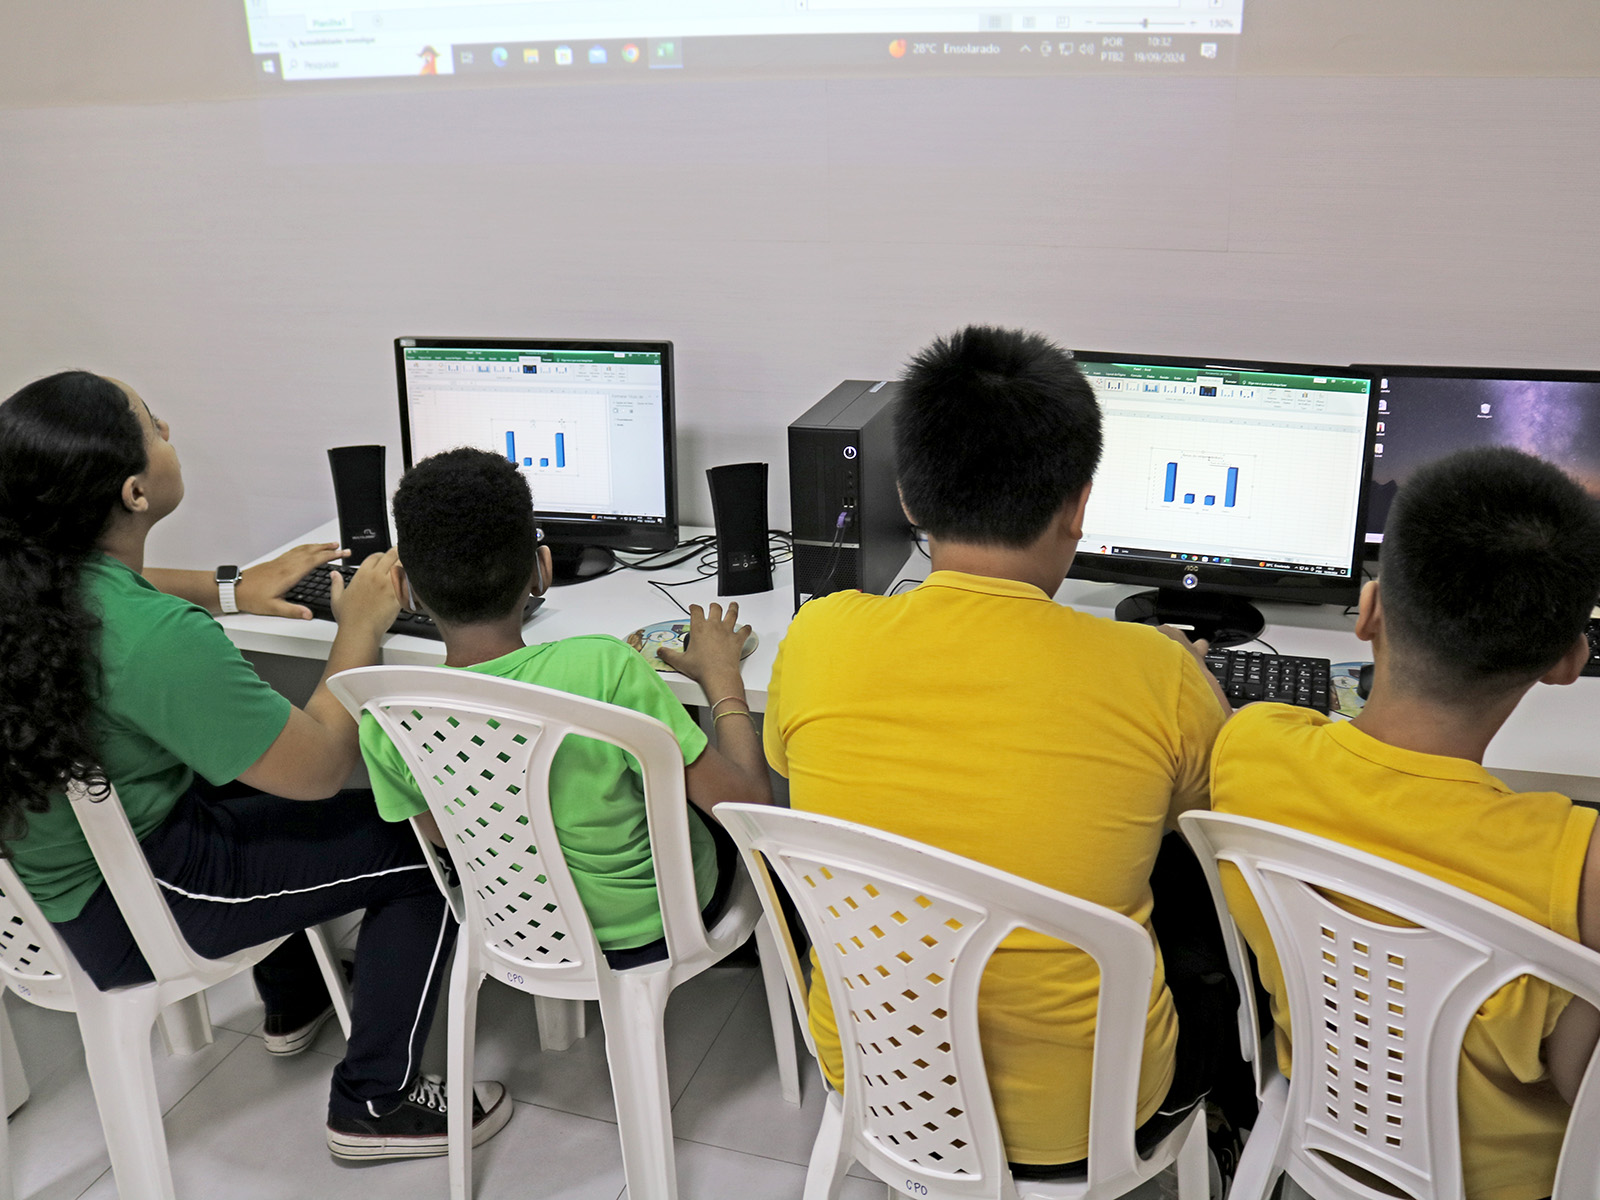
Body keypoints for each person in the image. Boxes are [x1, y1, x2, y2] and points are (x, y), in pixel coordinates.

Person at [0, 370, 511, 1162]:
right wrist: (360, 625)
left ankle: (295, 999)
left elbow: (125, 587)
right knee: (426, 848)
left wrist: (231, 589)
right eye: (154, 424)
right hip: (140, 904)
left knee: (242, 773)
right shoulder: (154, 638)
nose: (170, 429)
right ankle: (376, 1101)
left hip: (54, 895)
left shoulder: (29, 577)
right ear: (135, 492)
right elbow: (319, 767)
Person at [762, 325, 1238, 1172]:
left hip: (872, 1078)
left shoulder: (819, 634)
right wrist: (1188, 678)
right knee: (1191, 901)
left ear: (909, 498)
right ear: (1079, 505)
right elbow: (1218, 824)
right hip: (1088, 1117)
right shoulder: (1155, 673)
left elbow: (790, 766)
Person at [1210, 446, 1600, 1200]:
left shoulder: (1251, 749)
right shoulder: (1577, 863)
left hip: (1319, 1138)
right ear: (1567, 661)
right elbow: (1580, 1077)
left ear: (1369, 612)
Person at [358, 447, 771, 967]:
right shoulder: (603, 666)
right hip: (660, 923)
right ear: (542, 569)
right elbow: (749, 808)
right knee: (687, 779)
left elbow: (448, 837)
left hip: (520, 930)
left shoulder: (384, 718)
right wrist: (722, 680)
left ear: (403, 588)